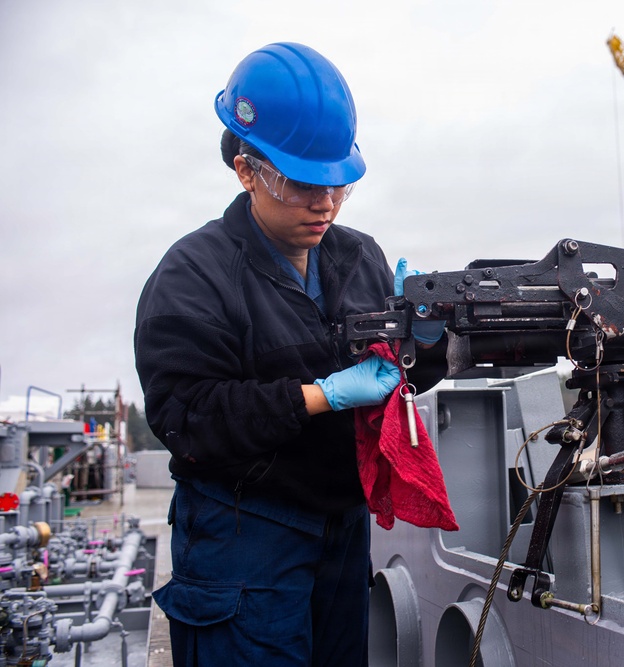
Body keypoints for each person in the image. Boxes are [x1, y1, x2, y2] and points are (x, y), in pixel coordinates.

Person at [134, 42, 443, 666]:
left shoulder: (358, 256)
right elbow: (187, 416)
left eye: (337, 184)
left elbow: (391, 376)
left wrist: (428, 341)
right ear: (246, 170)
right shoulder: (193, 275)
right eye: (301, 183)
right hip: (243, 534)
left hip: (341, 529)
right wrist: (320, 397)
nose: (324, 203)